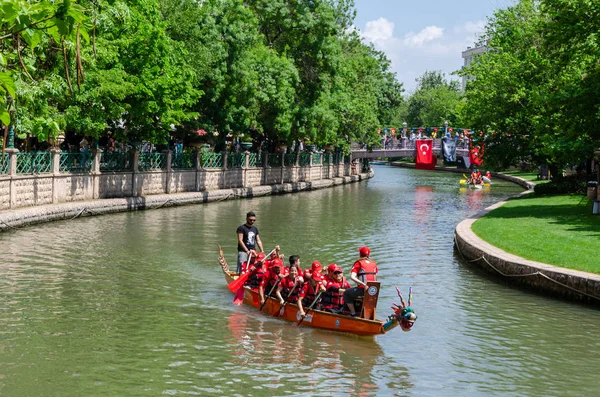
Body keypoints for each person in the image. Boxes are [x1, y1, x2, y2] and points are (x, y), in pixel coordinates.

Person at [343, 246, 378, 317]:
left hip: (363, 290)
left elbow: (352, 277)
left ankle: (353, 313)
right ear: (369, 255)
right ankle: (370, 316)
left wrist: (363, 284)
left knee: (346, 293)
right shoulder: (374, 264)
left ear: (360, 254)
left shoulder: (358, 263)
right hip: (374, 292)